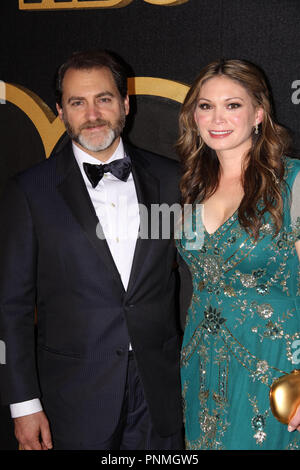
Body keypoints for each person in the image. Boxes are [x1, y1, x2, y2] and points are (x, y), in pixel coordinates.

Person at [0, 50, 183, 450]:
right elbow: (11, 306)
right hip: (72, 396)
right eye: (77, 102)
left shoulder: (171, 180)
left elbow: (196, 275)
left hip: (160, 391)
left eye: (104, 99)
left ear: (125, 104)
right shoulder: (30, 191)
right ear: (60, 111)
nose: (93, 113)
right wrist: (23, 403)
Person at [176, 59, 300, 450]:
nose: (217, 117)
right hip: (201, 363)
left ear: (259, 113)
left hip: (276, 364)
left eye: (233, 105)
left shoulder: (292, 182)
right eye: (205, 105)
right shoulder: (192, 185)